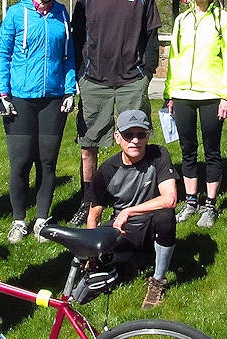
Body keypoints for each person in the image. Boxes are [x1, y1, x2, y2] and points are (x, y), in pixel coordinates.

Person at [71, 0, 162, 226]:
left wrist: (146, 74)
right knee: (90, 144)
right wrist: (80, 74)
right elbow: (77, 37)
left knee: (135, 141)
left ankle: (133, 200)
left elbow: (151, 38)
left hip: (131, 81)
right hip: (94, 81)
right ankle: (89, 200)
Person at [0, 0, 76, 243]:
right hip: (20, 98)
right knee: (20, 162)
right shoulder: (18, 14)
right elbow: (2, 54)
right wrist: (2, 93)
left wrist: (70, 90)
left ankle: (42, 218)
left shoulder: (62, 15)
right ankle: (19, 220)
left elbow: (69, 57)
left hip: (53, 99)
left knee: (47, 162)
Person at [163, 0, 227, 228]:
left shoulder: (223, 19)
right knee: (187, 150)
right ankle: (191, 201)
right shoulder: (181, 20)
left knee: (212, 151)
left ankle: (211, 205)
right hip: (182, 94)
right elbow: (174, 58)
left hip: (212, 94)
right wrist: (170, 93)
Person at [85, 110, 179, 309]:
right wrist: (90, 254)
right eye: (128, 135)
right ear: (117, 138)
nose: (135, 140)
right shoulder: (107, 169)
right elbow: (94, 214)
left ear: (148, 136)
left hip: (150, 223)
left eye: (141, 135)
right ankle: (134, 259)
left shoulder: (159, 155)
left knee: (166, 216)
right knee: (104, 262)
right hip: (124, 229)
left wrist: (129, 211)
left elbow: (170, 199)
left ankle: (158, 281)